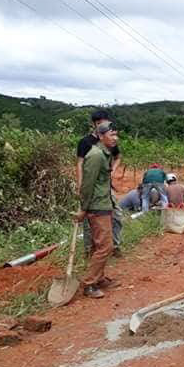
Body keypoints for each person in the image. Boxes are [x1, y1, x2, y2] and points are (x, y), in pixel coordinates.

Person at [74, 122, 121, 298]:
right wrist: (84, 209)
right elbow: (87, 184)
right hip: (96, 206)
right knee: (106, 247)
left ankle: (99, 278)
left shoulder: (104, 154)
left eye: (116, 134)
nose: (115, 138)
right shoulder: (95, 156)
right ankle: (89, 284)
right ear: (101, 136)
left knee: (99, 245)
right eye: (111, 134)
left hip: (103, 203)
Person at [76, 109, 122, 258]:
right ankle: (90, 250)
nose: (101, 125)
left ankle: (114, 246)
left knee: (116, 215)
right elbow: (80, 164)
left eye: (103, 122)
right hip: (92, 186)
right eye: (98, 123)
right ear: (94, 124)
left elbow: (118, 157)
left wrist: (112, 172)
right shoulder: (85, 142)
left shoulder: (110, 140)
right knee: (89, 219)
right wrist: (81, 184)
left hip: (105, 187)